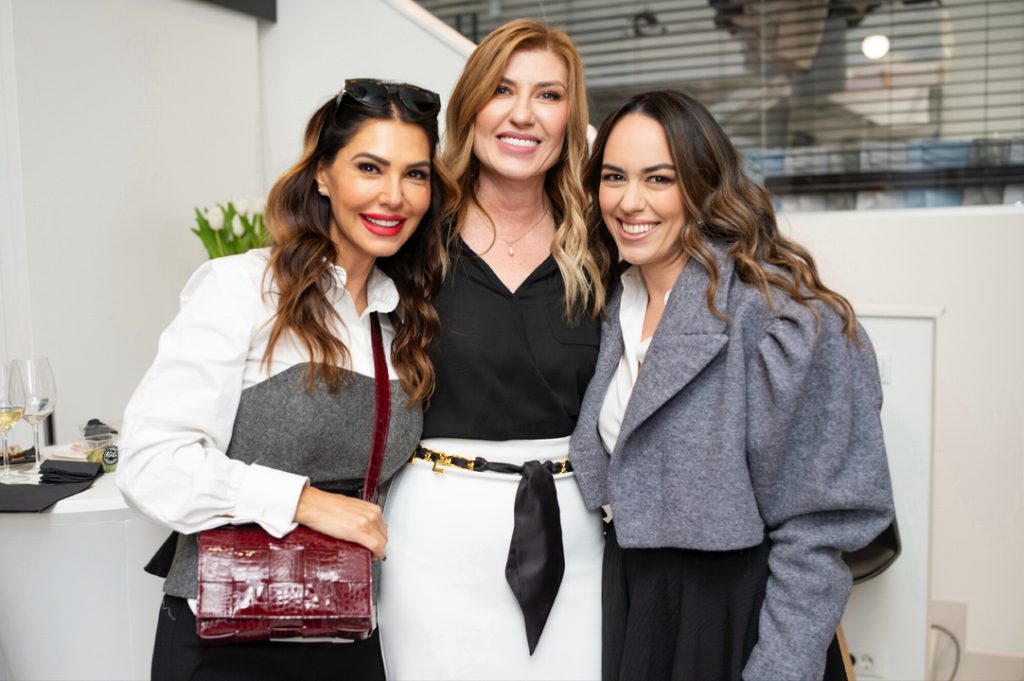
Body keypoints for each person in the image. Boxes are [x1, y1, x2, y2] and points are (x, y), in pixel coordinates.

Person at [117, 78, 451, 681]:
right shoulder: (242, 288)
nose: (393, 196)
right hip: (228, 640)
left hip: (350, 634)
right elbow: (150, 463)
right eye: (369, 168)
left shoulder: (402, 318)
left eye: (415, 174)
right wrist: (305, 502)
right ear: (322, 175)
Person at [569, 90, 895, 681]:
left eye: (659, 178)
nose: (629, 201)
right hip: (636, 599)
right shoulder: (617, 299)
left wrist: (778, 669)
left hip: (737, 616)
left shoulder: (778, 320)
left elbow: (818, 532)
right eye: (614, 177)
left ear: (703, 185)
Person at [378, 19, 610, 681]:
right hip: (433, 542)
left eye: (548, 95)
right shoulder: (412, 232)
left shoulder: (604, 241)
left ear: (570, 117)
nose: (523, 114)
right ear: (470, 106)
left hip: (574, 539)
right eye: (502, 90)